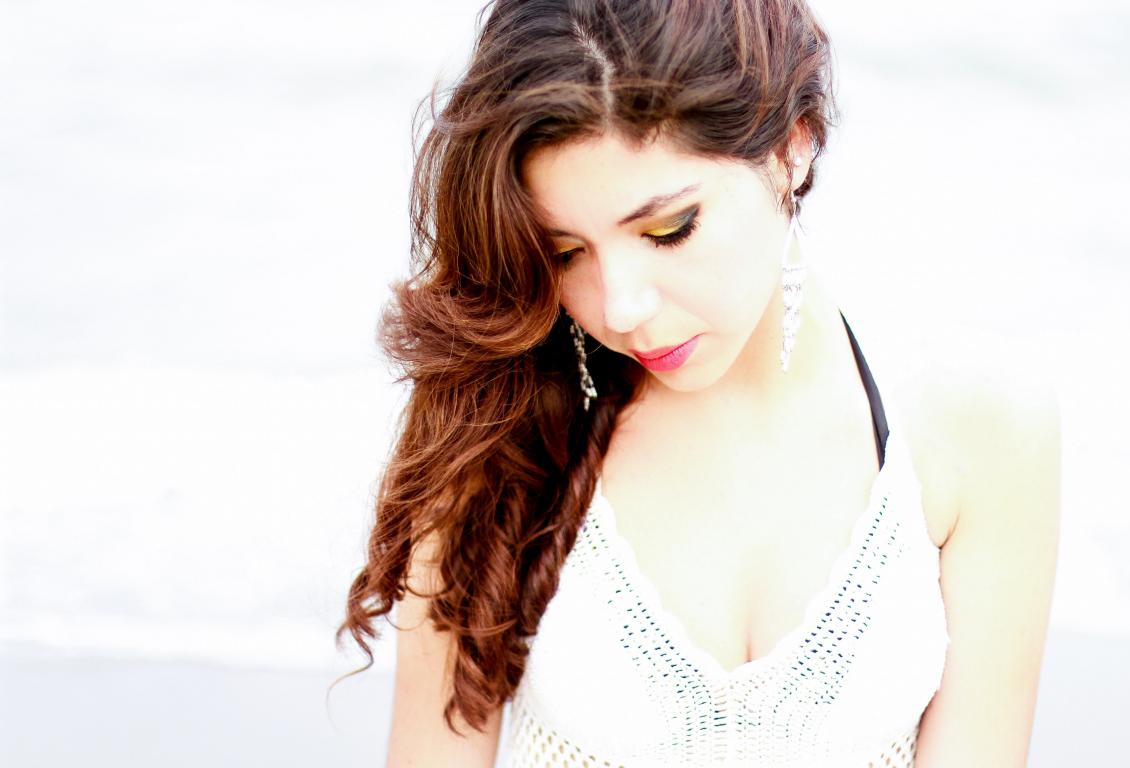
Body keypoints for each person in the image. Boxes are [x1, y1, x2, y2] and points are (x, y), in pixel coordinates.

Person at [335, 0, 1060, 765]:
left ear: (791, 147)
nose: (621, 307)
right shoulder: (497, 420)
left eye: (668, 230)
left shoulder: (976, 430)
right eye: (566, 252)